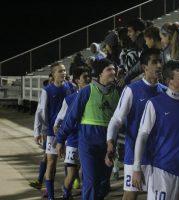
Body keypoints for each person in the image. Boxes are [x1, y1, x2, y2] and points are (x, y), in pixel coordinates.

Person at [132, 60, 179, 200]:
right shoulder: (155, 103)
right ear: (169, 81)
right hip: (163, 171)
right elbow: (142, 136)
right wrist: (136, 168)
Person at [106, 48, 165, 200]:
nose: (159, 65)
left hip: (160, 157)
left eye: (160, 61)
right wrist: (110, 142)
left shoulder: (165, 92)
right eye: (154, 62)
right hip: (135, 156)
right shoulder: (132, 90)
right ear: (144, 67)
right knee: (130, 196)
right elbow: (116, 119)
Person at [58, 58, 119, 200]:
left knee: (104, 185)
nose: (113, 72)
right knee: (91, 183)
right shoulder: (87, 91)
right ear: (99, 74)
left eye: (114, 69)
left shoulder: (118, 93)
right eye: (109, 69)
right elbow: (71, 117)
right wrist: (60, 139)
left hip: (108, 146)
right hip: (88, 145)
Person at [34, 62, 75, 200]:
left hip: (68, 130)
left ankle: (66, 191)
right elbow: (40, 112)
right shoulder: (47, 90)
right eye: (59, 71)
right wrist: (38, 131)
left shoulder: (71, 87)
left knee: (68, 162)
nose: (63, 73)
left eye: (64, 70)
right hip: (52, 132)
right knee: (51, 162)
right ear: (52, 74)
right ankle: (51, 196)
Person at [54, 66, 91, 199]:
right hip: (73, 141)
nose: (88, 79)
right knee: (71, 174)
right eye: (85, 77)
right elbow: (58, 121)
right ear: (77, 80)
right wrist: (60, 140)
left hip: (88, 141)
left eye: (89, 76)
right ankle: (66, 193)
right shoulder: (69, 99)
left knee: (87, 174)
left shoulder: (94, 95)